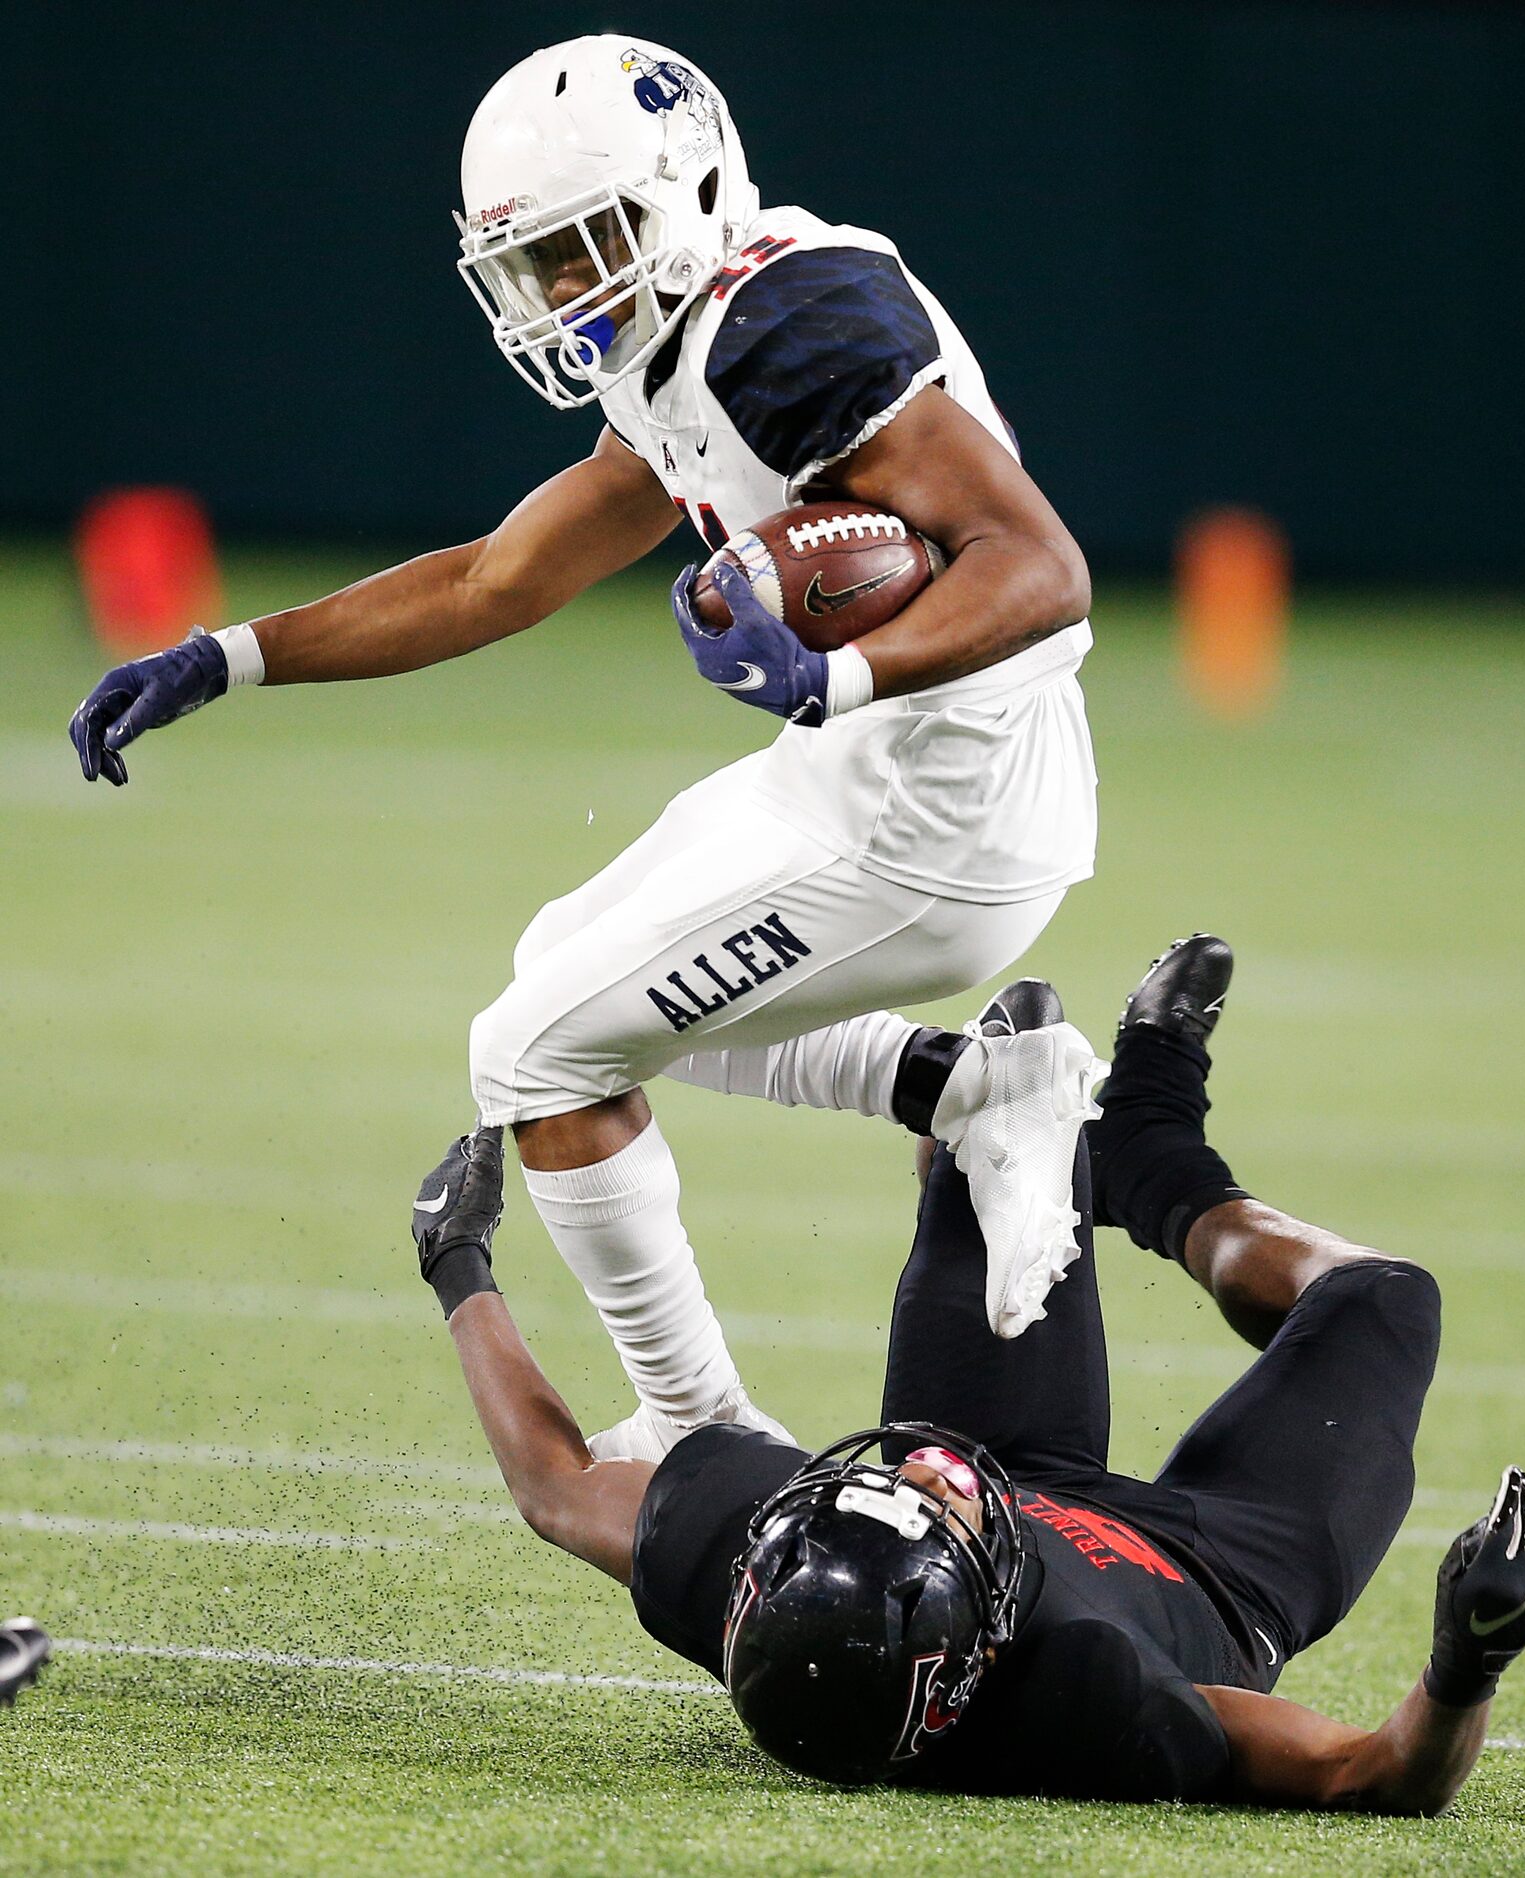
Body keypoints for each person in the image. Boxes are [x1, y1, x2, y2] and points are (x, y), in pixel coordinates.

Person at [69, 34, 1102, 1460]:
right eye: (536, 264)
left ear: (682, 196)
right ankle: (979, 1087)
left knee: (534, 1055)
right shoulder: (689, 334)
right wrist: (233, 655)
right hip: (870, 772)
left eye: (584, 247)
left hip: (945, 816)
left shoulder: (789, 328)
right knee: (559, 966)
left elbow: (1041, 566)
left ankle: (701, 1431)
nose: (563, 292)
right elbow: (498, 579)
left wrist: (833, 664)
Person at [411, 936, 1525, 1809]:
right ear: (979, 1641)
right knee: (1381, 1303)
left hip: (1024, 1473)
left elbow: (554, 1488)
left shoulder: (786, 1586)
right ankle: (1155, 1146)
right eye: (937, 1509)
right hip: (1225, 1572)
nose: (926, 1471)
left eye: (904, 1489)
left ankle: (1062, 1156)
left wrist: (456, 1261)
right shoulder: (1089, 1692)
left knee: (994, 1132)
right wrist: (1466, 1661)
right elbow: (1366, 1776)